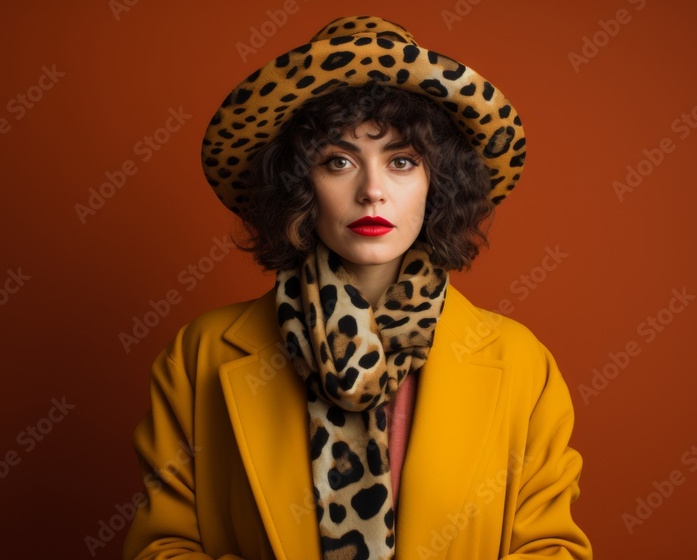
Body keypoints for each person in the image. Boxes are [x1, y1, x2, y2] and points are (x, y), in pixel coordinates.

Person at [123, 15, 592, 560]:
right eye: (339, 161)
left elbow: (551, 549)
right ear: (300, 185)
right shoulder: (198, 355)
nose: (372, 190)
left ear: (437, 184)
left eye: (401, 162)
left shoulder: (521, 364)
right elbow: (161, 546)